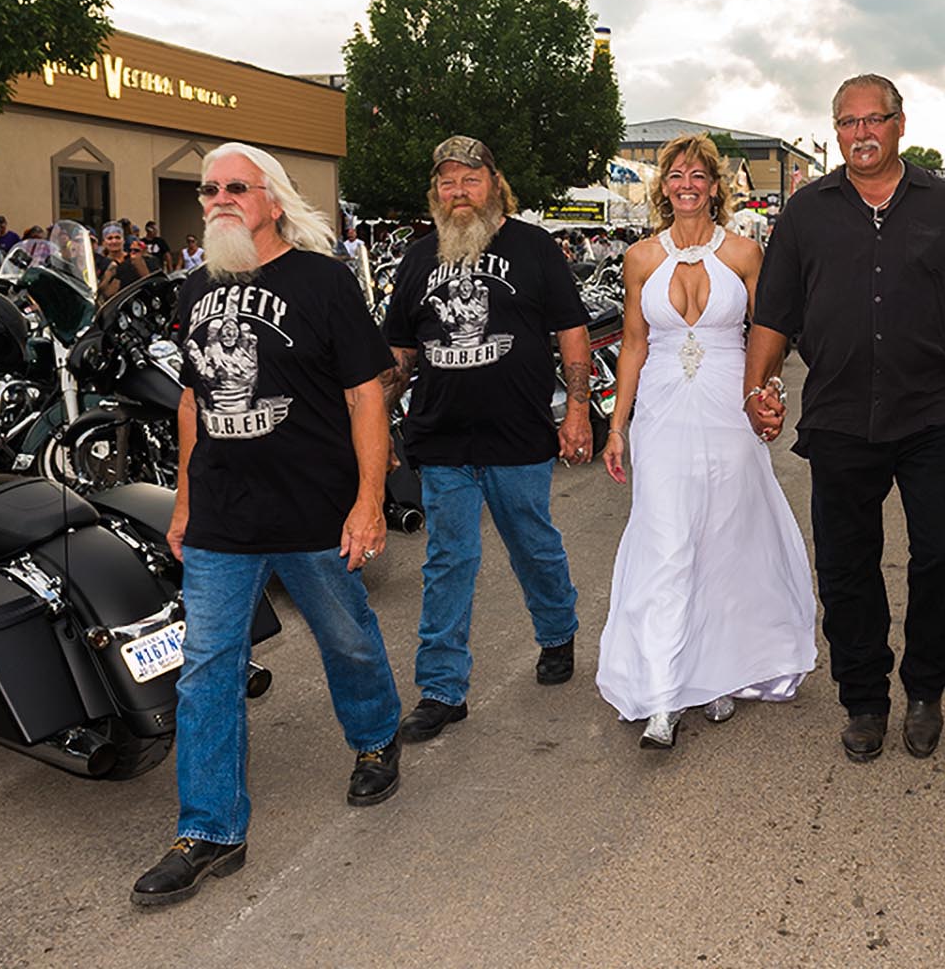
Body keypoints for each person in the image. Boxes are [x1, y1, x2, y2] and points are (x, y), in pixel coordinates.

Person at [133, 142, 402, 907]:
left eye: (236, 188)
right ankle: (211, 830)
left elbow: (365, 395)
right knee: (207, 670)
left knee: (346, 639)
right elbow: (192, 402)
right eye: (209, 189)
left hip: (315, 507)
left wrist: (369, 500)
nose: (219, 199)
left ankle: (376, 737)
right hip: (222, 515)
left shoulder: (323, 281)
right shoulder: (195, 286)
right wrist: (184, 502)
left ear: (273, 200)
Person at [745, 73, 945, 762]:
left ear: (900, 124)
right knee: (847, 565)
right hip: (841, 413)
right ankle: (865, 698)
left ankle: (927, 688)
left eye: (874, 120)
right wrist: (757, 387)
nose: (861, 133)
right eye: (847, 122)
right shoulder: (807, 213)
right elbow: (774, 315)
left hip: (932, 408)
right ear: (835, 131)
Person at [595, 134, 816, 749]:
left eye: (698, 174)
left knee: (722, 535)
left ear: (716, 186)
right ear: (663, 186)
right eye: (675, 175)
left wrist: (768, 393)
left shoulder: (746, 253)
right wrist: (616, 425)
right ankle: (665, 693)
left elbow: (769, 335)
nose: (687, 184)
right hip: (663, 408)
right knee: (666, 538)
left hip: (727, 403)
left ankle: (716, 671)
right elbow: (634, 345)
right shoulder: (640, 257)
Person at [381, 135, 592, 745]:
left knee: (533, 544)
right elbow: (401, 352)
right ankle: (442, 689)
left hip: (518, 432)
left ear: (495, 185)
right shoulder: (419, 259)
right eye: (447, 182)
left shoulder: (534, 249)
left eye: (470, 180)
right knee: (450, 559)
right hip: (442, 437)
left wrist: (576, 412)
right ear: (436, 193)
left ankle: (557, 631)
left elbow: (572, 333)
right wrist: (376, 425)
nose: (458, 192)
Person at [97, 223, 158, 302]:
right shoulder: (100, 262)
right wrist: (109, 274)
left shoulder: (133, 258)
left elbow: (150, 281)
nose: (114, 241)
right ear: (104, 242)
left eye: (117, 237)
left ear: (123, 240)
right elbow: (105, 293)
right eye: (110, 238)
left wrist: (139, 263)